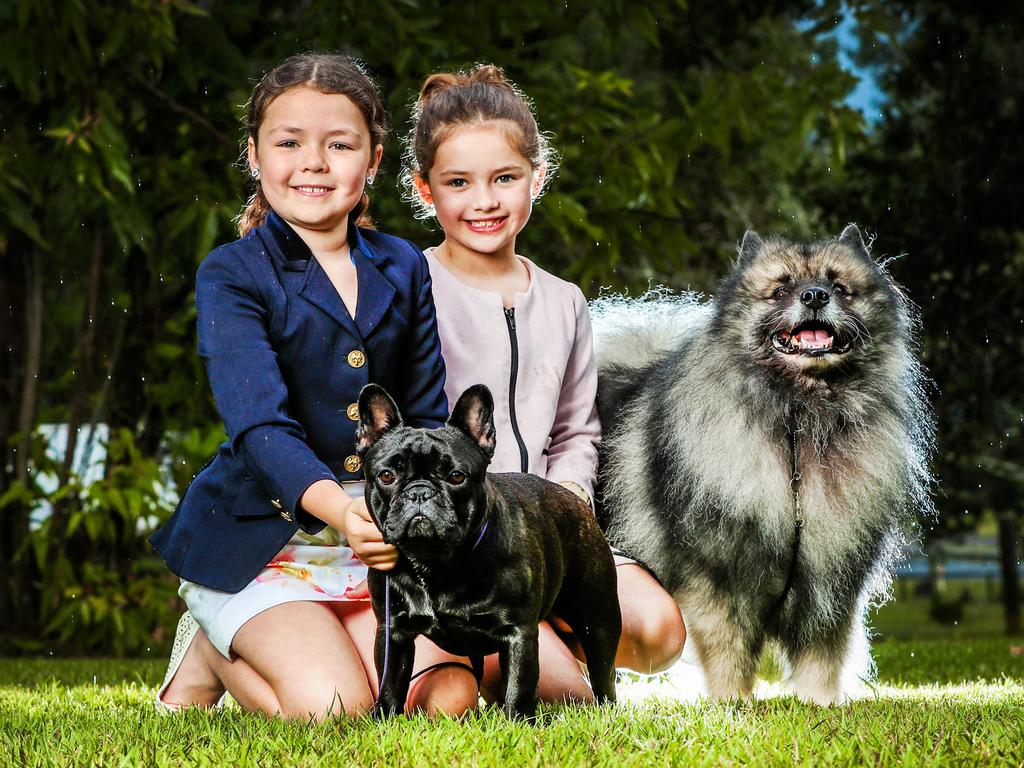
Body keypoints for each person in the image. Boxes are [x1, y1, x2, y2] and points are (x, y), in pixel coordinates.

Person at [148, 53, 479, 721]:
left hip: (381, 538)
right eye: (289, 141)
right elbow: (260, 427)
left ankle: (320, 644)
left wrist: (424, 512)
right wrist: (342, 512)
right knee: (333, 711)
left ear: (375, 160)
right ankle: (212, 649)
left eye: (340, 144)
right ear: (254, 154)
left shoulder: (403, 265)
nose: (315, 163)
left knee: (450, 698)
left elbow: (423, 413)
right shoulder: (233, 273)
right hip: (264, 544)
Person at [403, 65, 686, 703]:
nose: (485, 201)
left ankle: (544, 628)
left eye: (505, 178)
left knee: (659, 631)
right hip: (457, 543)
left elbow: (576, 431)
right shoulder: (409, 289)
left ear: (538, 176)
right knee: (558, 701)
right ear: (425, 190)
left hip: (547, 532)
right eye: (458, 183)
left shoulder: (564, 301)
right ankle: (512, 651)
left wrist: (562, 519)